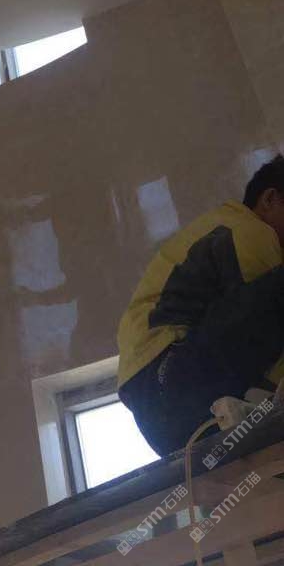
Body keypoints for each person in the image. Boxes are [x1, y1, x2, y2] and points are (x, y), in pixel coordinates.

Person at [118, 155, 284, 457]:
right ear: (270, 198)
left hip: (168, 416)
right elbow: (269, 327)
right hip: (173, 379)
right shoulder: (249, 230)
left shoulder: (220, 225)